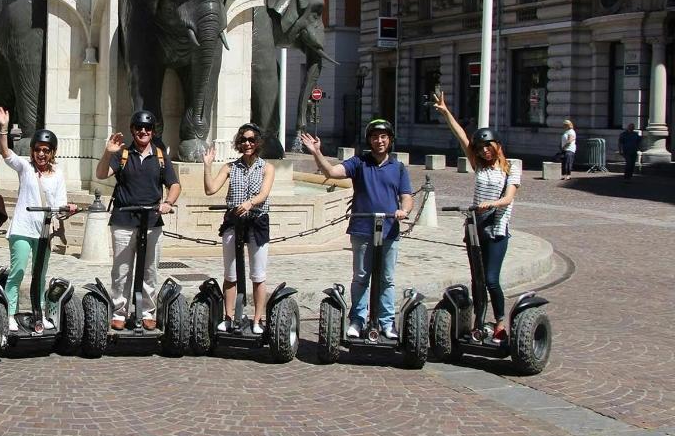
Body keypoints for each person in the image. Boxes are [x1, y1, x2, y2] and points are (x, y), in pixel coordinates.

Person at [300, 119, 413, 340]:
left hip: (389, 229)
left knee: (387, 279)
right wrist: (316, 152)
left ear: (389, 140)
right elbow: (331, 171)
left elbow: (406, 197)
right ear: (369, 140)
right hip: (362, 228)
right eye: (374, 137)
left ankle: (386, 321)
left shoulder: (398, 168)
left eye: (383, 137)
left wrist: (404, 211)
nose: (379, 141)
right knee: (361, 276)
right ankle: (358, 319)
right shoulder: (359, 162)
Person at [433, 92, 521, 342]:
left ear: (497, 146)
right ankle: (479, 322)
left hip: (497, 227)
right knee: (477, 279)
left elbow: (509, 198)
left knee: (492, 278)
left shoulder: (511, 168)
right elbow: (461, 135)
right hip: (476, 226)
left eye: (488, 147)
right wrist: (446, 112)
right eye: (481, 148)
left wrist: (489, 204)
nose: (484, 151)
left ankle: (501, 322)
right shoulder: (479, 164)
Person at [94, 110, 181, 330]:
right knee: (122, 270)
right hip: (123, 219)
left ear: (152, 132)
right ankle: (120, 312)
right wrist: (107, 152)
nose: (143, 131)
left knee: (150, 270)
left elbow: (175, 184)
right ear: (133, 130)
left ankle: (147, 312)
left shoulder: (160, 156)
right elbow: (101, 174)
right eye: (139, 128)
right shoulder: (122, 154)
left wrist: (168, 203)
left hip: (152, 221)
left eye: (148, 128)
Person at [0, 106, 75, 331]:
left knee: (40, 274)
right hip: (22, 228)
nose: (41, 154)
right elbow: (6, 153)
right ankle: (10, 313)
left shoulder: (58, 174)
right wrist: (4, 128)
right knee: (17, 272)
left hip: (44, 231)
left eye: (46, 150)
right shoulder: (25, 168)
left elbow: (60, 206)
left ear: (52, 152)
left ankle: (40, 313)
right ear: (32, 151)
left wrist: (69, 209)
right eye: (38, 149)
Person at [202, 123, 276, 335]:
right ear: (238, 143)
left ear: (258, 142)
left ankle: (257, 320)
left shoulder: (267, 168)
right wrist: (207, 166)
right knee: (231, 274)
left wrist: (250, 203)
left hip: (257, 221)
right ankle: (229, 316)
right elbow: (210, 189)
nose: (247, 144)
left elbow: (264, 194)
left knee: (258, 274)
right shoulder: (230, 167)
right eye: (243, 140)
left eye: (252, 140)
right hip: (234, 221)